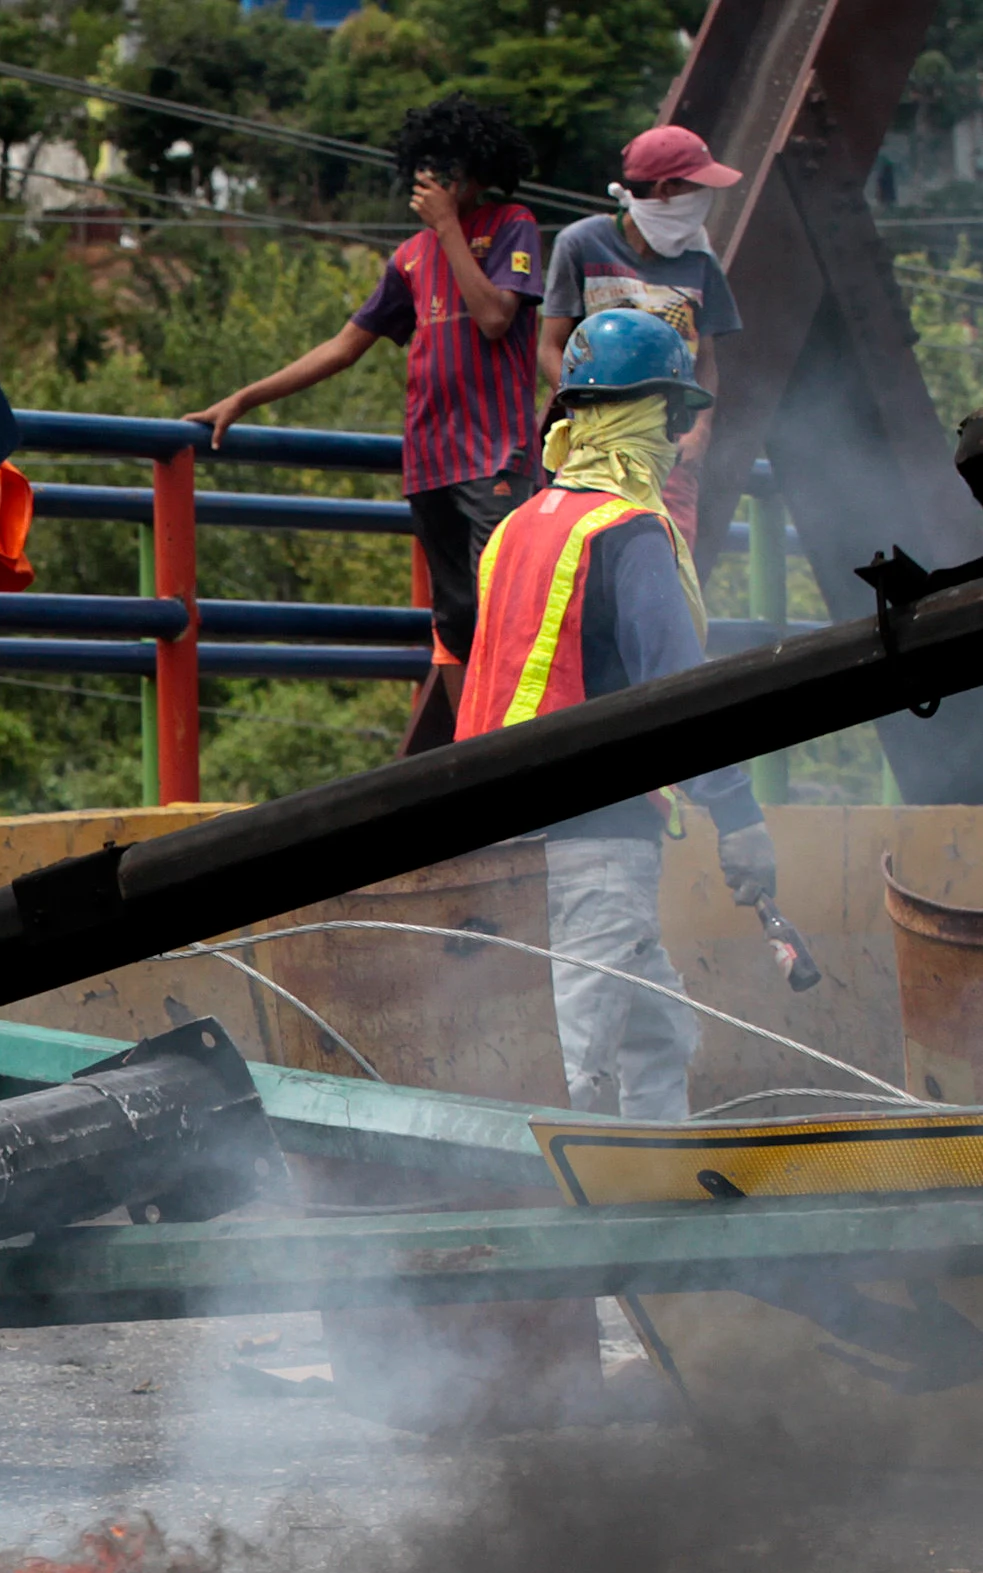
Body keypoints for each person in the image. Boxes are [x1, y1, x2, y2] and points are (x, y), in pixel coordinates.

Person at [455, 310, 766, 1123]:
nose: (678, 436)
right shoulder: (627, 534)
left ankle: (658, 1182)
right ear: (641, 416)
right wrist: (737, 818)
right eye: (673, 414)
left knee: (653, 1032)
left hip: (497, 831)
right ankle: (569, 1233)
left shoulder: (517, 528)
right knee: (577, 1064)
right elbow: (679, 693)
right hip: (592, 840)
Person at [188, 94, 545, 755]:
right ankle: (475, 755)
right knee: (456, 619)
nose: (435, 184)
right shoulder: (408, 258)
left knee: (506, 608)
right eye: (427, 170)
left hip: (497, 457)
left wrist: (448, 230)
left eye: (449, 172)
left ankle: (513, 752)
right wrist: (242, 398)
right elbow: (340, 347)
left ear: (477, 173)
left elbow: (495, 318)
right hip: (430, 463)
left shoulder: (511, 225)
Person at [538, 124, 742, 535]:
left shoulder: (701, 259)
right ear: (665, 190)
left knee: (669, 559)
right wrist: (590, 416)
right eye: (698, 187)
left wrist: (701, 429)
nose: (708, 199)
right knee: (588, 559)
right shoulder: (581, 244)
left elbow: (707, 360)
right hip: (592, 451)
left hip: (669, 452)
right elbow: (550, 347)